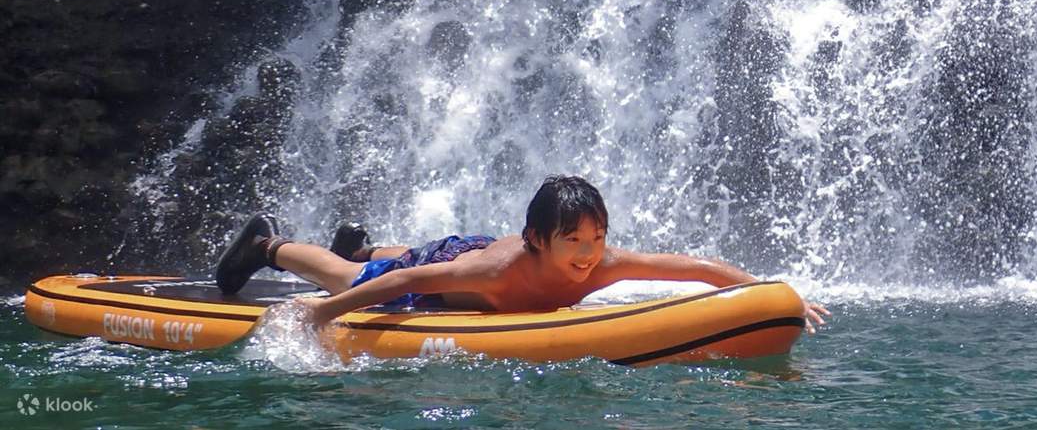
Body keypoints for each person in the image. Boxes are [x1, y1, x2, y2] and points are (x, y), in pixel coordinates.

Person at [215, 175, 829, 331]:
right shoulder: (494, 271)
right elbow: (404, 283)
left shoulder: (602, 261)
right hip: (456, 263)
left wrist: (771, 297)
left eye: (596, 239)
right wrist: (324, 313)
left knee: (384, 263)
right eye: (575, 243)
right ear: (540, 240)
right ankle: (268, 244)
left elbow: (696, 269)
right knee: (353, 275)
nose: (588, 255)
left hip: (480, 254)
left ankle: (364, 240)